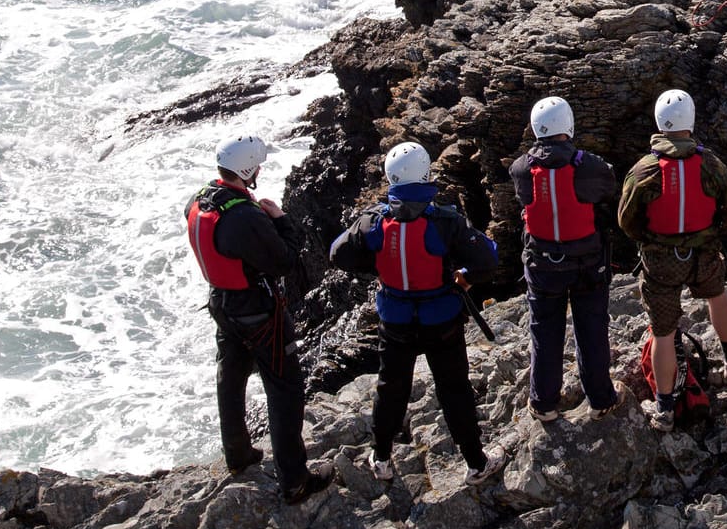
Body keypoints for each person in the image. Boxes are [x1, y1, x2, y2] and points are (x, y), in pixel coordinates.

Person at [328, 142, 508, 486]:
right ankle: (475, 463)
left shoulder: (374, 221)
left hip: (395, 321)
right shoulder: (445, 221)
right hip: (441, 322)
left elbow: (339, 254)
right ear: (425, 173)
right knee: (454, 390)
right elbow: (488, 259)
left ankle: (381, 458)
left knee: (390, 388)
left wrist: (378, 266)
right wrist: (465, 277)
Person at [184, 135, 332, 504]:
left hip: (222, 304)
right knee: (284, 388)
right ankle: (296, 481)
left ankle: (237, 454)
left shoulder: (200, 200)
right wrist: (281, 220)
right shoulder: (245, 217)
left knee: (230, 377)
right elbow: (284, 260)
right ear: (248, 170)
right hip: (258, 312)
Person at [617, 89, 727, 432]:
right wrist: (710, 235)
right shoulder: (711, 164)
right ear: (690, 120)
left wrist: (651, 240)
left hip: (661, 261)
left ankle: (664, 407)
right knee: (717, 295)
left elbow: (626, 220)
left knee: (663, 333)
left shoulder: (644, 169)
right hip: (703, 254)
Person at [510, 96, 622, 423]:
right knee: (592, 329)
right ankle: (600, 397)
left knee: (544, 332)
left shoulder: (521, 169)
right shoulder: (589, 166)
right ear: (568, 125)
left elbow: (524, 197)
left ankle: (544, 403)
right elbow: (607, 186)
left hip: (542, 264)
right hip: (587, 262)